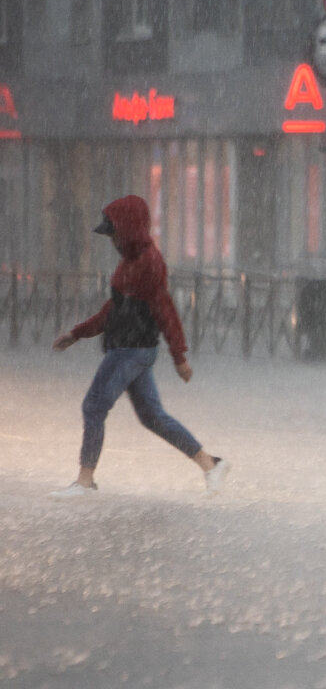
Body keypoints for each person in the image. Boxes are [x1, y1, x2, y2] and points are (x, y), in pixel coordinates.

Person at [49, 195, 229, 497]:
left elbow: (165, 309)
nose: (111, 241)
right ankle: (210, 464)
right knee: (152, 417)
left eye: (114, 233)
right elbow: (114, 308)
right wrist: (78, 333)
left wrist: (179, 357)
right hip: (130, 348)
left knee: (94, 406)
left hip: (131, 349)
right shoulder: (129, 262)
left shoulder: (149, 262)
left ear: (129, 230)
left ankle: (85, 481)